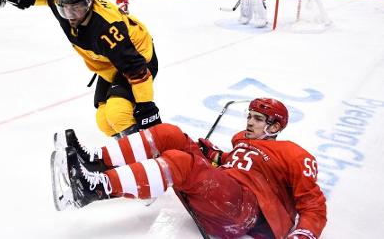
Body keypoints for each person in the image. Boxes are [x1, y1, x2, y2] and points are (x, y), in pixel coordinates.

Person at [52, 97, 327, 238]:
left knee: (182, 163)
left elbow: (313, 205)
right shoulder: (241, 141)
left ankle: (94, 188)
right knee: (169, 133)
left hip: (245, 211)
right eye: (249, 116)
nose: (249, 123)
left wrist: (304, 232)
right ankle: (96, 161)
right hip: (225, 190)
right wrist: (214, 155)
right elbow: (231, 165)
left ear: (275, 126)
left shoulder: (293, 153)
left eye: (257, 119)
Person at [0, 0, 161, 139]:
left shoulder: (106, 30)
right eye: (63, 8)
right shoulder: (67, 4)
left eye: (75, 8)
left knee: (118, 113)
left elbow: (136, 68)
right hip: (111, 63)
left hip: (139, 58)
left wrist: (146, 107)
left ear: (89, 1)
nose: (69, 15)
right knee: (104, 121)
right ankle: (129, 148)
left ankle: (147, 147)